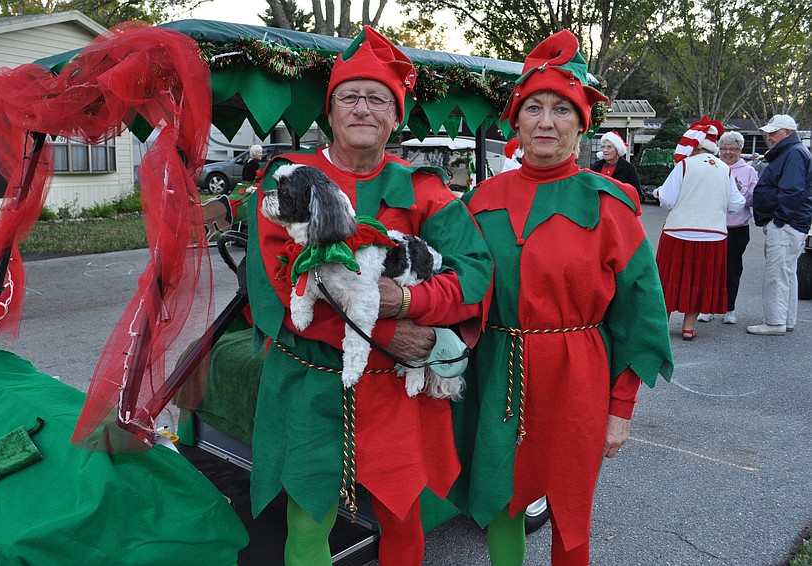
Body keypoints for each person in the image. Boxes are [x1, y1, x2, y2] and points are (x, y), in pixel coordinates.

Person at [244, 26, 492, 565]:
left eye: (377, 98)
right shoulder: (286, 183)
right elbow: (278, 289)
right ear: (329, 113)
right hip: (311, 383)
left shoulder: (426, 189)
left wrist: (407, 304)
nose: (363, 108)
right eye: (349, 97)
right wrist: (385, 329)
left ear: (395, 115)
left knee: (405, 522)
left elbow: (474, 276)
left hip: (397, 394)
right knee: (307, 524)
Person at [453, 30, 673, 565]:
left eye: (560, 110)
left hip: (578, 373)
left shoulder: (611, 204)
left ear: (581, 125)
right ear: (516, 121)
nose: (545, 121)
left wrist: (620, 408)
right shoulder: (480, 201)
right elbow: (458, 289)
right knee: (502, 498)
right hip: (499, 366)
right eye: (533, 108)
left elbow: (639, 314)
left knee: (572, 508)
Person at [653, 118, 746, 339]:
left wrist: (658, 193)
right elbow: (736, 205)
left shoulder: (684, 166)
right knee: (699, 281)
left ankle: (662, 327)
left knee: (669, 280)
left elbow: (667, 199)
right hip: (713, 234)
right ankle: (688, 327)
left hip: (679, 231)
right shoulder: (724, 169)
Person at [747, 114, 812, 335]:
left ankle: (775, 322)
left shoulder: (793, 153)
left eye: (774, 133)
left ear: (788, 133)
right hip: (793, 222)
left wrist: (779, 220)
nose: (770, 137)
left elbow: (792, 190)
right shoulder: (794, 152)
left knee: (776, 273)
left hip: (787, 223)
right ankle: (786, 319)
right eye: (769, 133)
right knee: (787, 272)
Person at [697, 132, 758, 324]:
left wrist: (742, 190)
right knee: (709, 269)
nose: (727, 153)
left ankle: (729, 308)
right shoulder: (712, 167)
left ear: (740, 151)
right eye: (724, 149)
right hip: (712, 226)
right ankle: (708, 308)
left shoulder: (749, 171)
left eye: (732, 149)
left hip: (736, 228)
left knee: (731, 270)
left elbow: (755, 200)